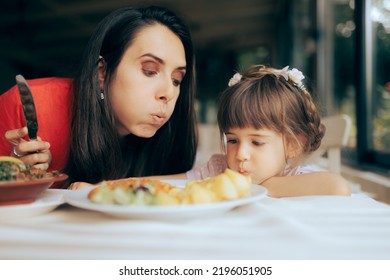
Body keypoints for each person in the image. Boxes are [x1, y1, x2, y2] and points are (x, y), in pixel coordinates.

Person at [74, 64, 351, 197]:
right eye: (232, 139)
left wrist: (255, 187)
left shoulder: (296, 178)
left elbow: (337, 186)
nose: (240, 154)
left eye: (257, 142)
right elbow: (163, 182)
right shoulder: (219, 170)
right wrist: (102, 187)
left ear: (293, 144)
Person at [0, 6, 198, 186]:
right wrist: (9, 171)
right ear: (101, 73)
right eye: (149, 71)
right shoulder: (29, 106)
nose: (168, 93)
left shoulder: (168, 140)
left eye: (176, 80)